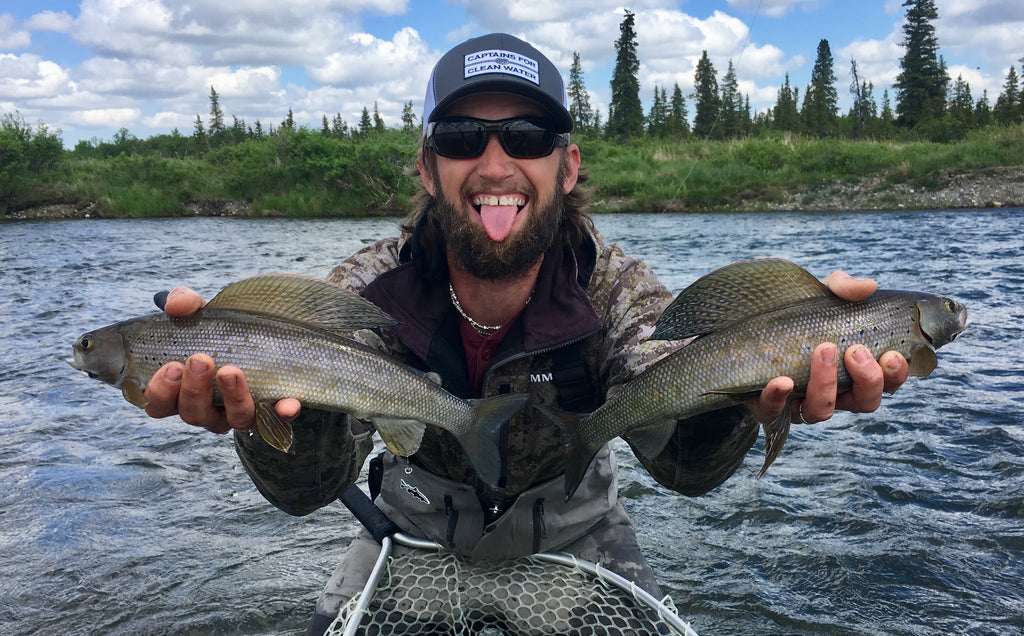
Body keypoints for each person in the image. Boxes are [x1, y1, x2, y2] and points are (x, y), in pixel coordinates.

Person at [143, 33, 909, 633]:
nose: (496, 161)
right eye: (462, 136)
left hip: (580, 535)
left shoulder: (616, 288)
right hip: (409, 533)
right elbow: (309, 490)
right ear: (426, 166)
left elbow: (684, 465)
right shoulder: (365, 291)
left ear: (567, 164)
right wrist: (265, 407)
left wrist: (747, 388)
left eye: (527, 133)